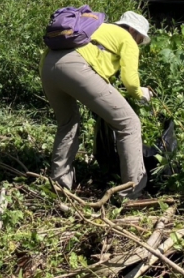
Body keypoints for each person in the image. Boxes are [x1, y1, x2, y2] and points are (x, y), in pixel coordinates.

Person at [41, 11, 154, 200]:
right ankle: (131, 191)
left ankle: (60, 185)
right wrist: (141, 93)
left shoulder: (95, 29)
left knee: (68, 123)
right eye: (140, 39)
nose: (138, 43)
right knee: (129, 123)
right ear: (134, 31)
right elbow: (130, 81)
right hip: (77, 67)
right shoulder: (126, 38)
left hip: (47, 67)